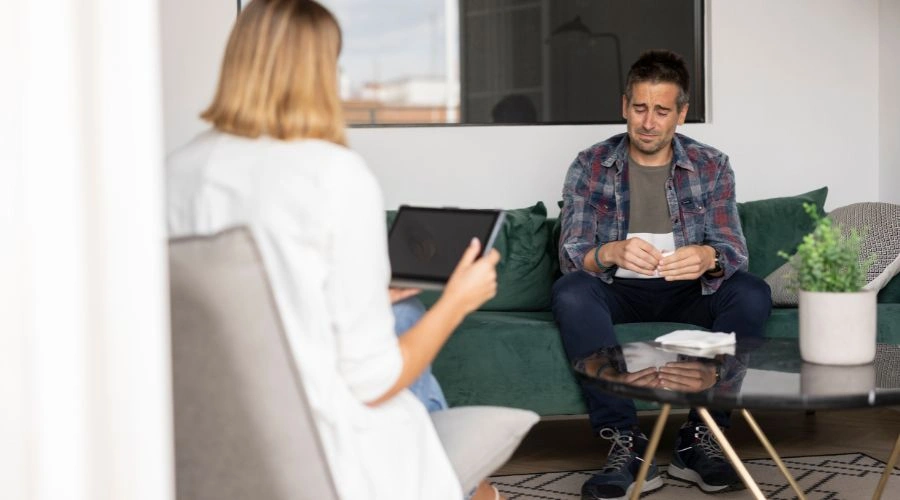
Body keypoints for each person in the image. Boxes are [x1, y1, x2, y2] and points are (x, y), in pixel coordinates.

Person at [166, 1, 510, 499]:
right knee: (414, 323)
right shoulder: (331, 175)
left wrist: (371, 297)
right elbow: (373, 381)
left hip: (205, 420)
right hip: (314, 440)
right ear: (319, 72)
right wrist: (459, 299)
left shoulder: (176, 172)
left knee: (401, 309)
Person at [551, 49, 772, 499]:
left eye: (661, 110)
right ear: (624, 106)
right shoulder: (590, 164)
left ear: (681, 114)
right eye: (639, 108)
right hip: (618, 290)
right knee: (571, 291)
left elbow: (734, 252)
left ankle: (700, 436)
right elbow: (572, 254)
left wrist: (708, 256)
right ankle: (626, 443)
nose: (648, 122)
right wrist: (609, 250)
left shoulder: (712, 165)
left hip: (690, 291)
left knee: (751, 292)